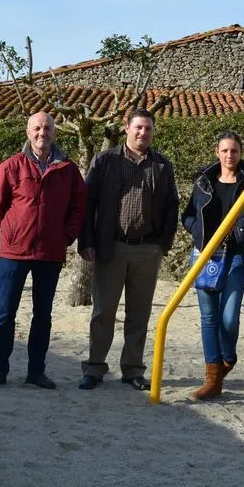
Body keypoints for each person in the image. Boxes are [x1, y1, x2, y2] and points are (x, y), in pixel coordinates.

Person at [0, 112, 86, 390]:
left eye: (48, 128)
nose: (43, 133)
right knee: (5, 314)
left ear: (54, 132)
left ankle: (36, 371)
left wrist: (66, 235)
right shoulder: (11, 166)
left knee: (43, 314)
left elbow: (79, 206)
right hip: (15, 252)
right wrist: (13, 227)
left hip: (50, 253)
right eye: (37, 128)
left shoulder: (68, 170)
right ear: (28, 132)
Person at [77, 108, 179, 391]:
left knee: (139, 313)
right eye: (138, 128)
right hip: (112, 247)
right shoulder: (105, 160)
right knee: (103, 311)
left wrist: (163, 244)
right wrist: (85, 242)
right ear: (126, 128)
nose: (143, 133)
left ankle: (133, 369)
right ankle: (95, 367)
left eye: (148, 129)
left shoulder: (161, 165)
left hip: (147, 249)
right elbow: (88, 204)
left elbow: (172, 206)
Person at [181, 131, 244, 400]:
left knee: (229, 317)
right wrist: (199, 232)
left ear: (241, 152)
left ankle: (226, 359)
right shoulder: (204, 181)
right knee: (209, 318)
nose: (230, 156)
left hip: (236, 255)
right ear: (216, 152)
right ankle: (212, 378)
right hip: (206, 254)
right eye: (225, 151)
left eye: (234, 151)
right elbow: (186, 215)